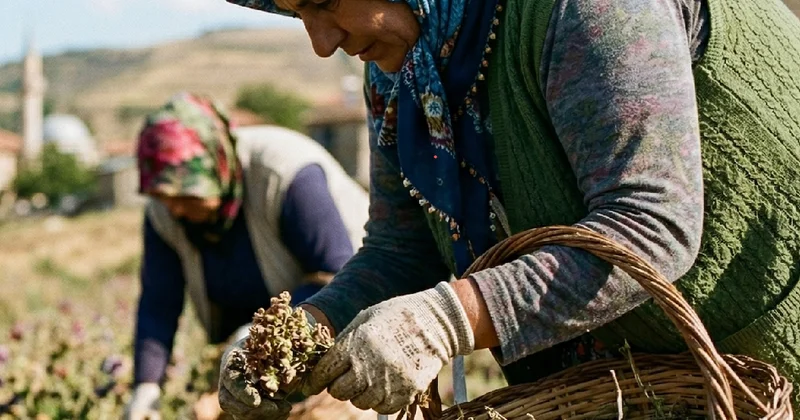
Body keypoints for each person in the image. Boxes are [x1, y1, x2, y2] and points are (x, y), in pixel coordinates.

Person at [217, 0, 800, 417]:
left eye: (324, 2)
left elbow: (652, 226)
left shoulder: (588, 10)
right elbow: (401, 252)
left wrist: (442, 322)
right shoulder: (399, 70)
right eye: (298, 15)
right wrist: (299, 335)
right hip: (640, 385)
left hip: (764, 348)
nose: (321, 43)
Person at [124, 92, 369, 420]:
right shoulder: (165, 211)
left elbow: (335, 276)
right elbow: (159, 302)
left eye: (186, 195)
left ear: (216, 166)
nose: (176, 209)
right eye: (164, 198)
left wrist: (254, 338)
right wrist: (146, 389)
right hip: (252, 356)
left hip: (342, 335)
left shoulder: (284, 173)